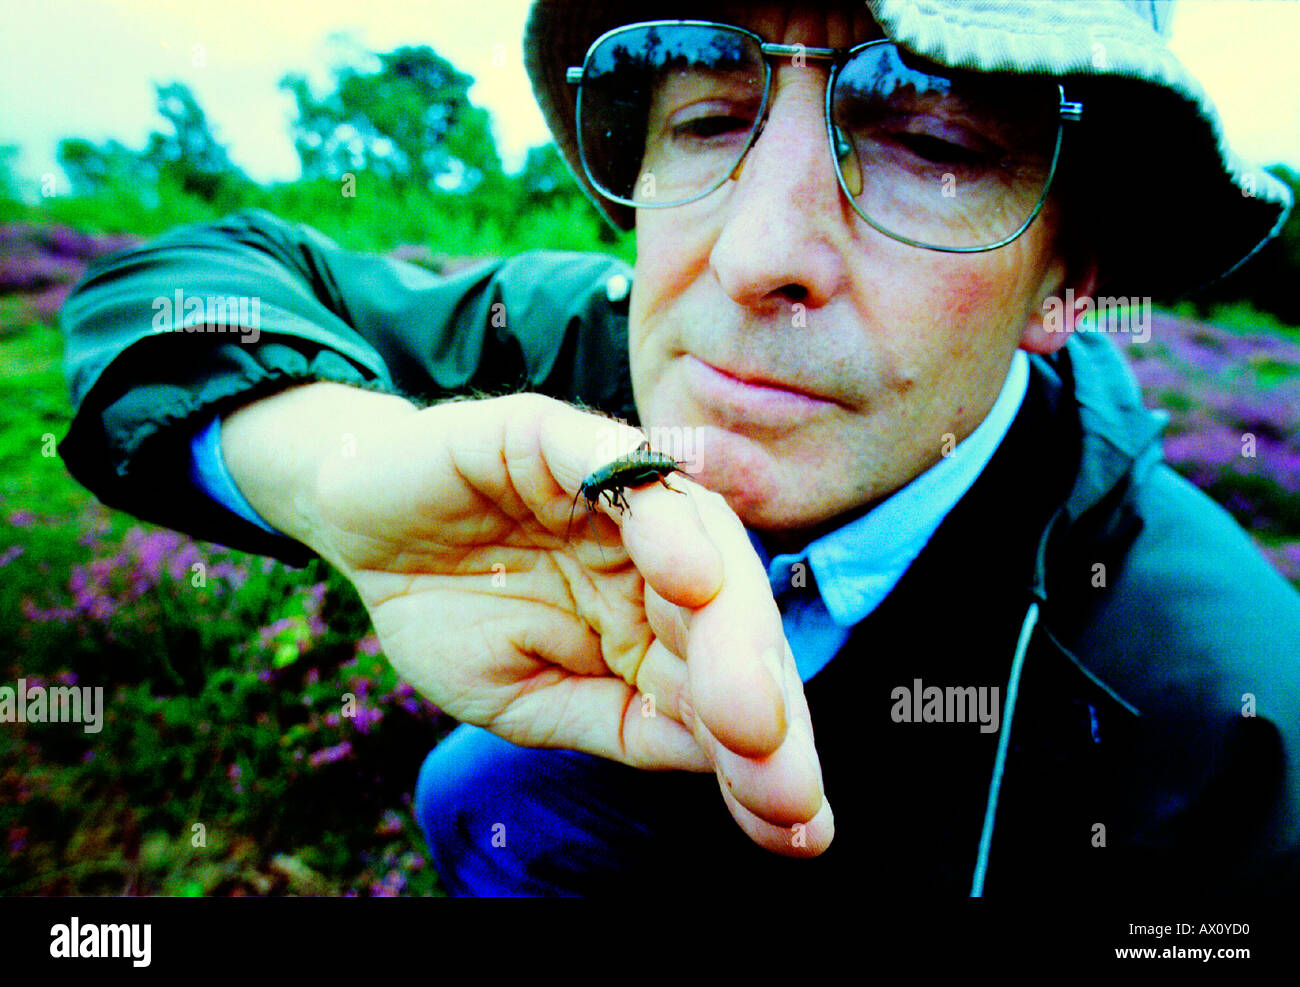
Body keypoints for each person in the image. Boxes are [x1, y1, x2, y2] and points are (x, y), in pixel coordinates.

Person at [56, 0, 1300, 896]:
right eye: (710, 116)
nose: (757, 255)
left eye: (933, 147)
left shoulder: (1229, 716)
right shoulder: (575, 351)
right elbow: (177, 282)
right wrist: (332, 472)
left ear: (1064, 285)